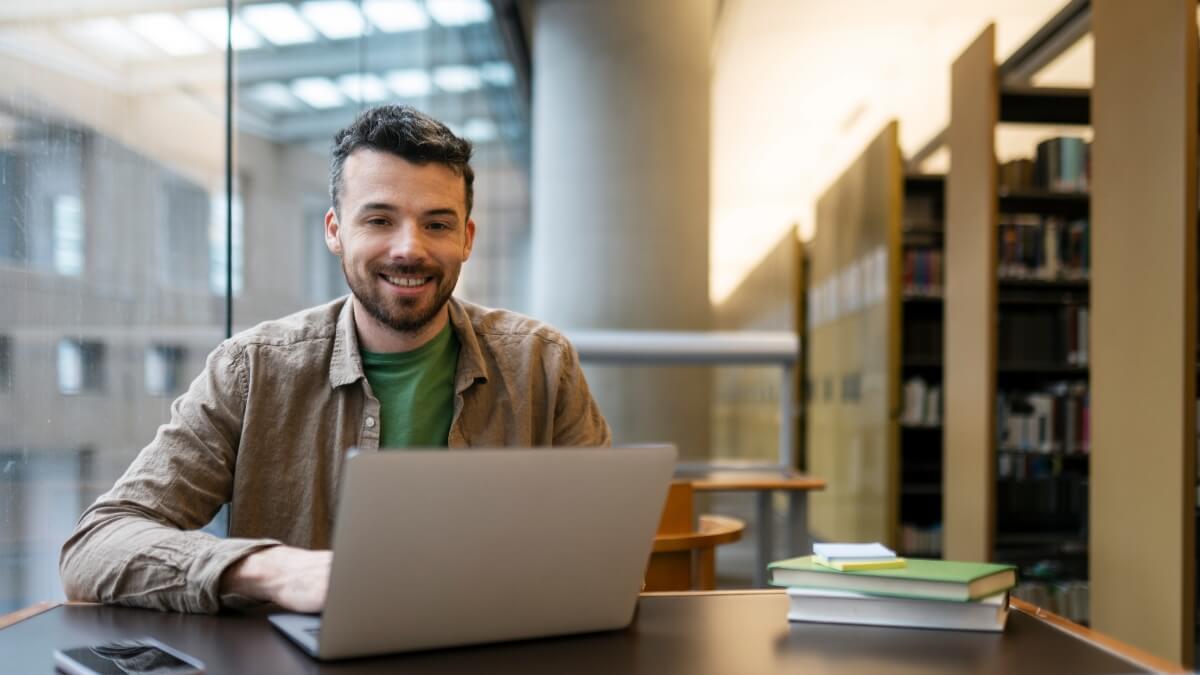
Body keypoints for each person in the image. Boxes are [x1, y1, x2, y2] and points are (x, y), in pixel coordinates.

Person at [59, 105, 611, 614]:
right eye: (378, 220)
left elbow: (604, 548)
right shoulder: (253, 371)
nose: (409, 248)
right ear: (334, 232)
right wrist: (273, 570)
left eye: (437, 223)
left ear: (466, 238)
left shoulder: (542, 362)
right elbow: (97, 544)